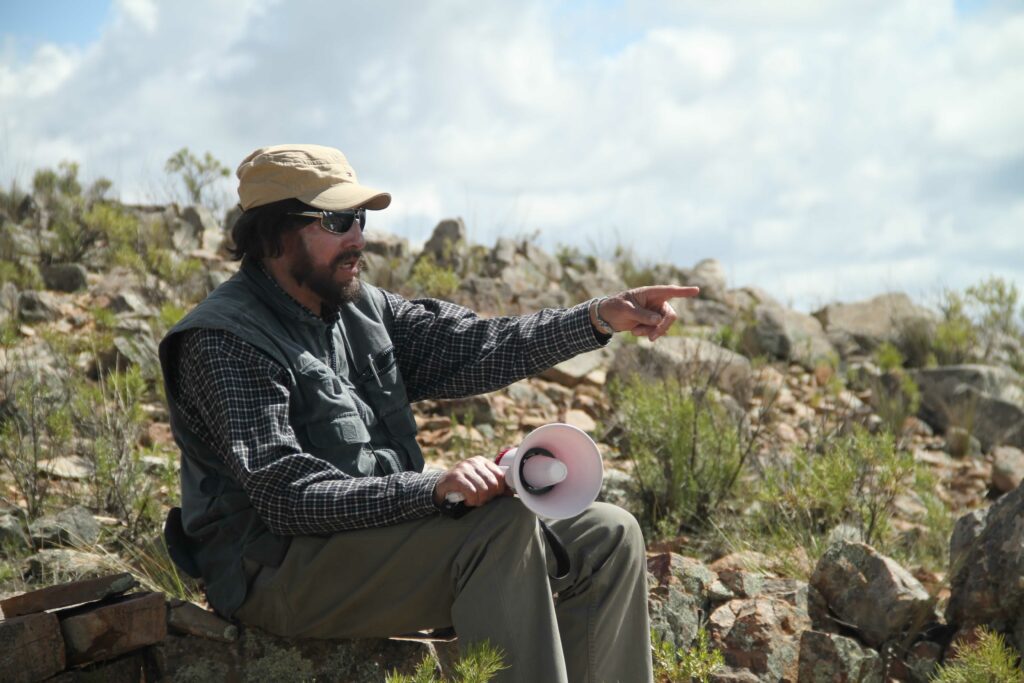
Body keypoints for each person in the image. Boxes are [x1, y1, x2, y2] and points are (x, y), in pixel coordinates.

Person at [159, 144, 699, 683]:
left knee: (609, 535)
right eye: (337, 219)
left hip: (368, 540)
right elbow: (286, 496)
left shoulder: (359, 306)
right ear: (275, 231)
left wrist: (598, 317)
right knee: (500, 527)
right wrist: (432, 491)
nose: (357, 238)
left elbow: (479, 346)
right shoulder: (224, 340)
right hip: (275, 572)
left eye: (360, 219)